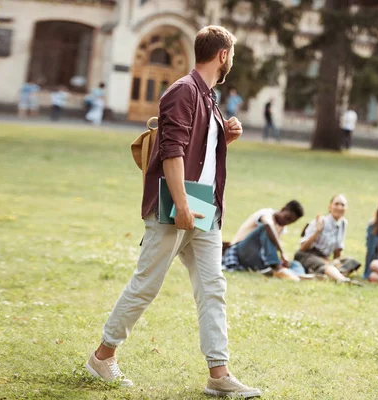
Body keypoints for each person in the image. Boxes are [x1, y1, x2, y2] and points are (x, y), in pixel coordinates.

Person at [85, 25, 261, 398]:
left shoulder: (208, 96)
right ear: (223, 55)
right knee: (146, 284)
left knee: (213, 288)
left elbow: (196, 147)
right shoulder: (183, 90)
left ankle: (219, 373)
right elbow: (172, 151)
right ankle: (102, 356)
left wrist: (223, 137)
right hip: (177, 203)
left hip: (204, 206)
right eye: (233, 55)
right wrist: (181, 203)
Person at [223, 201, 305, 280]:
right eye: (287, 218)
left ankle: (297, 275)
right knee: (265, 228)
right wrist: (282, 252)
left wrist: (283, 260)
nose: (286, 222)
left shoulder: (281, 227)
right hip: (240, 252)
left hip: (258, 258)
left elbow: (270, 247)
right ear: (283, 209)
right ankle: (276, 266)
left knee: (295, 264)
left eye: (290, 222)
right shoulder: (266, 213)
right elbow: (268, 225)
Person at [295, 195, 361, 284]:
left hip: (325, 258)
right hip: (308, 255)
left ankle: (325, 275)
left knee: (352, 262)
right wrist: (317, 232)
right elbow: (303, 247)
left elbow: (338, 250)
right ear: (330, 207)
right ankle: (342, 280)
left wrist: (336, 261)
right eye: (336, 204)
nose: (339, 207)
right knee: (327, 266)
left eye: (343, 205)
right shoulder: (321, 221)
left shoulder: (343, 223)